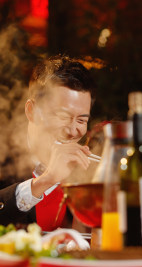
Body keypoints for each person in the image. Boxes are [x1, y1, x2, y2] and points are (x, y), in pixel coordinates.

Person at [0, 55, 96, 230]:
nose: (73, 131)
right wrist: (46, 180)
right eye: (62, 116)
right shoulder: (3, 156)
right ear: (31, 111)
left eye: (81, 121)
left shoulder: (89, 171)